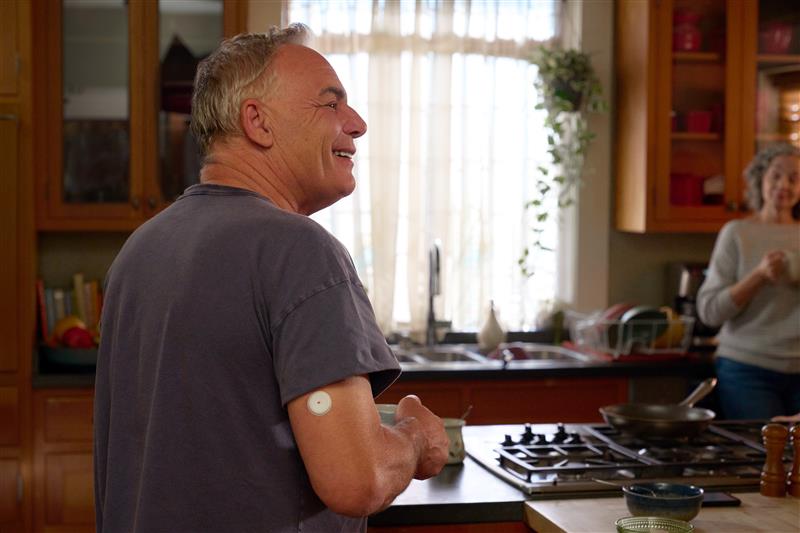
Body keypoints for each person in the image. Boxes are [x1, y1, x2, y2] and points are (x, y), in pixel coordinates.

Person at [93, 24, 449, 533]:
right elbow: (359, 480)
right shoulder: (300, 251)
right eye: (331, 104)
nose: (358, 123)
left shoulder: (141, 249)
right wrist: (414, 437)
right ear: (258, 122)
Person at [697, 143, 800, 420]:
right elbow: (710, 312)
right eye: (776, 175)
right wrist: (759, 276)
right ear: (760, 178)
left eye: (794, 178)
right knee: (759, 445)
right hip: (747, 369)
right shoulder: (737, 233)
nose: (784, 185)